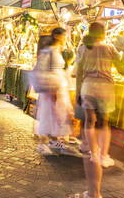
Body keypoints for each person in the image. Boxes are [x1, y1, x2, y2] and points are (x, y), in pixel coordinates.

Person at [75, 22, 124, 198]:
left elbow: (79, 73)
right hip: (105, 87)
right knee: (104, 122)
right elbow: (122, 69)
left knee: (90, 121)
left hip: (88, 86)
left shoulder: (83, 48)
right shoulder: (109, 47)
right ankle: (104, 155)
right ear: (103, 33)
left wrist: (77, 93)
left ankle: (93, 153)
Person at [34, 28, 80, 157]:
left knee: (56, 117)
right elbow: (45, 71)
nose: (65, 38)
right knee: (48, 115)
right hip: (51, 89)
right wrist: (53, 89)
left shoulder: (55, 50)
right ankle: (42, 144)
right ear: (57, 36)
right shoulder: (49, 51)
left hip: (58, 88)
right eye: (64, 36)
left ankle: (54, 141)